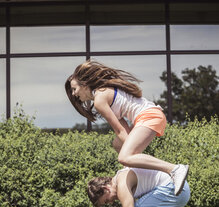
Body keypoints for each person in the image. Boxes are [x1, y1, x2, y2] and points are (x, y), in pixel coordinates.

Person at [65, 59, 189, 196]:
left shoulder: (100, 99)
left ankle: (174, 169)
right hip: (149, 115)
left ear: (84, 84)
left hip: (149, 116)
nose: (74, 94)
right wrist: (132, 158)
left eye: (74, 89)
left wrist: (129, 156)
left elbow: (119, 130)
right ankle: (135, 175)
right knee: (118, 144)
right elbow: (123, 131)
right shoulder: (105, 91)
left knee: (124, 156)